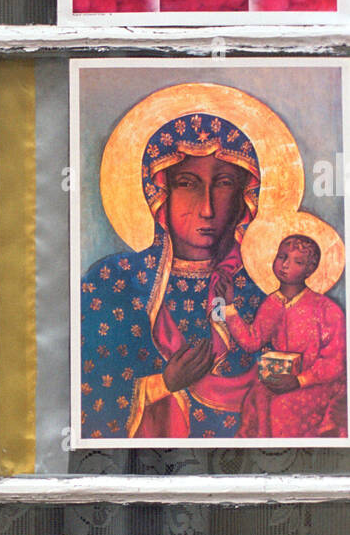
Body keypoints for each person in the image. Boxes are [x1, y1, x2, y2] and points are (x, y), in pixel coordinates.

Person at [81, 111, 266, 439]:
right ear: (158, 193)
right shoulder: (113, 283)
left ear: (244, 198)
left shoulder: (255, 293)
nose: (207, 208)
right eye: (187, 184)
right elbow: (86, 395)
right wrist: (162, 384)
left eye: (223, 184)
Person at [215, 234, 347, 437]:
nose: (285, 265)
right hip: (282, 380)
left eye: (297, 261)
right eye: (282, 256)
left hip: (318, 385)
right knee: (257, 397)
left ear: (310, 269)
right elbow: (252, 341)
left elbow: (335, 362)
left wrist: (299, 381)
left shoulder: (326, 309)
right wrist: (229, 306)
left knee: (281, 407)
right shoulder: (272, 304)